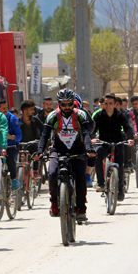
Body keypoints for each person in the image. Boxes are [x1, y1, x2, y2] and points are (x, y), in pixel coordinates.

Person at [35, 89, 95, 221]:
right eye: (63, 104)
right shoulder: (52, 116)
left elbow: (86, 133)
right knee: (52, 173)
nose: (67, 107)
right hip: (58, 149)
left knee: (81, 176)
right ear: (59, 104)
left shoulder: (81, 115)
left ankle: (81, 208)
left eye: (70, 104)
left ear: (74, 103)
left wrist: (89, 148)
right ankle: (55, 203)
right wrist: (40, 151)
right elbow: (44, 135)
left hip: (77, 150)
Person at [91, 93, 134, 201]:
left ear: (115, 104)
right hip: (104, 143)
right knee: (98, 156)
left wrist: (129, 138)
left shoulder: (120, 115)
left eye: (111, 103)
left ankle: (120, 190)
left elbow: (128, 127)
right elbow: (92, 129)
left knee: (119, 166)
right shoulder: (98, 116)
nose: (108, 106)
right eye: (106, 103)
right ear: (103, 104)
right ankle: (100, 183)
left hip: (118, 143)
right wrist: (92, 138)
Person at [0, 99, 22, 190]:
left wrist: (11, 137)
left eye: (6, 108)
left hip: (12, 146)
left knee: (10, 158)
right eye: (3, 108)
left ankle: (14, 179)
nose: (5, 110)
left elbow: (19, 136)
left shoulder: (13, 119)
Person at [19, 100, 44, 174]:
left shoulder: (35, 120)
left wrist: (41, 140)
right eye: (31, 110)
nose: (33, 111)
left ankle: (36, 171)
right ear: (25, 111)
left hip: (33, 144)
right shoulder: (18, 121)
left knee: (36, 152)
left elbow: (44, 130)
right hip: (21, 145)